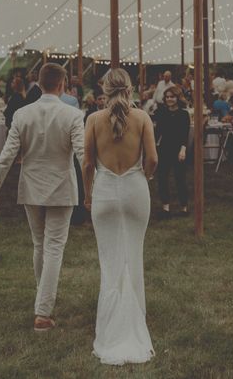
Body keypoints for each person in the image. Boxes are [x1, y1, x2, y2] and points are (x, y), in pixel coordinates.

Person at [0, 63, 84, 333]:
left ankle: (43, 300)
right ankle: (43, 311)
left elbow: (6, 155)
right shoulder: (74, 115)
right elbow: (84, 155)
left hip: (31, 188)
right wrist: (97, 188)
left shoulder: (22, 114)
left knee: (40, 244)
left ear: (38, 84)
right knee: (53, 247)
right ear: (63, 85)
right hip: (62, 188)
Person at [83, 68, 158, 366]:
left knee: (110, 258)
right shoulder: (142, 118)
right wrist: (145, 177)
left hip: (104, 191)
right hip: (135, 189)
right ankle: (135, 316)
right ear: (130, 89)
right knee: (133, 254)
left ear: (104, 89)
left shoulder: (92, 120)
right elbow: (152, 159)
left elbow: (88, 163)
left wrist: (88, 194)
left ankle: (112, 322)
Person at [154, 85, 190, 216]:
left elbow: (185, 134)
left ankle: (184, 207)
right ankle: (165, 207)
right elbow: (157, 132)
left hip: (179, 149)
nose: (169, 99)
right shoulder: (162, 113)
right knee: (162, 178)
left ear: (177, 98)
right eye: (167, 97)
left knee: (180, 178)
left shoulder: (184, 114)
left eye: (172, 97)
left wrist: (183, 150)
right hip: (164, 148)